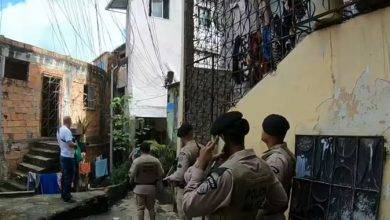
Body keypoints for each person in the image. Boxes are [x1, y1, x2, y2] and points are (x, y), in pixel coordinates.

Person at [182, 111, 288, 219]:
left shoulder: (226, 174)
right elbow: (280, 200)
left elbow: (188, 206)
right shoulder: (264, 166)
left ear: (222, 137)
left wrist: (200, 166)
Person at [260, 114, 296, 218]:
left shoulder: (276, 160)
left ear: (269, 132)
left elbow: (271, 193)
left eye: (263, 128)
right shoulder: (283, 153)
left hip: (269, 216)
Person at [164, 122, 202, 220]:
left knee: (184, 217)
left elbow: (180, 175)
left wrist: (168, 178)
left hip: (184, 189)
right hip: (199, 189)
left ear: (181, 137)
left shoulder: (185, 151)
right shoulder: (202, 147)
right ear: (191, 133)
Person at [129, 142, 164, 220]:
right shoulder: (156, 160)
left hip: (139, 189)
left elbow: (131, 174)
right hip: (151, 189)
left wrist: (133, 161)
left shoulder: (137, 161)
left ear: (141, 150)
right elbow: (161, 173)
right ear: (149, 150)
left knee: (140, 209)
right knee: (151, 208)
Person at [57, 116, 77, 203]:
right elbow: (70, 144)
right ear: (69, 121)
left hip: (62, 155)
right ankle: (67, 197)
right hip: (68, 157)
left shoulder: (60, 129)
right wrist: (75, 145)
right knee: (69, 177)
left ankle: (63, 194)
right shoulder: (67, 131)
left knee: (64, 176)